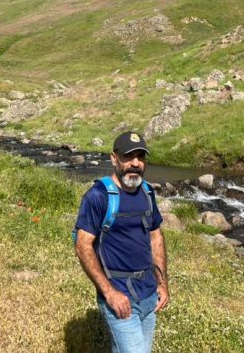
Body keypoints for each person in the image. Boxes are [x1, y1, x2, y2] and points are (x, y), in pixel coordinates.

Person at [74, 131, 169, 353]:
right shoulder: (98, 196)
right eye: (128, 156)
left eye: (140, 157)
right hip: (120, 296)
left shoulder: (147, 193)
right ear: (114, 158)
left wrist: (162, 283)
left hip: (149, 294)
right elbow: (82, 245)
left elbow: (156, 236)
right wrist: (109, 292)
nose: (135, 163)